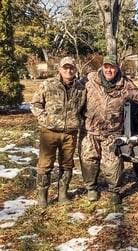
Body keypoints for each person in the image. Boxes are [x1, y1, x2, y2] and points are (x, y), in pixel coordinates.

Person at [79, 55, 138, 205]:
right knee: (89, 160)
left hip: (112, 132)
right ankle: (91, 188)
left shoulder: (125, 84)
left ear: (117, 68)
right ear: (102, 67)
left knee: (113, 163)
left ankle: (114, 191)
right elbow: (74, 93)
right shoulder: (89, 80)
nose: (109, 70)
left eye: (112, 67)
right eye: (106, 66)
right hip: (90, 131)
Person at [30, 57, 86, 208]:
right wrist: (44, 119)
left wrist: (78, 120)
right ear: (60, 69)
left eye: (71, 68)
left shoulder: (81, 88)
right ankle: (43, 197)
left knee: (67, 164)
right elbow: (35, 103)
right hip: (49, 132)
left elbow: (83, 109)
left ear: (75, 70)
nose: (69, 71)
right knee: (45, 165)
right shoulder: (48, 84)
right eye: (65, 68)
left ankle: (62, 194)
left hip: (70, 133)